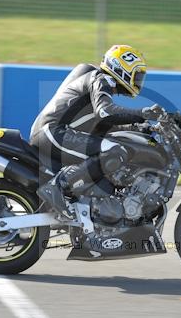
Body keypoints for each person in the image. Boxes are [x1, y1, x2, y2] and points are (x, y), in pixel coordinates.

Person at [29, 44, 164, 217]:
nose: (138, 81)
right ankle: (59, 187)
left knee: (113, 147)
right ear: (120, 68)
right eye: (136, 75)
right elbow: (105, 112)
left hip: (57, 132)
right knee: (115, 151)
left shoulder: (101, 85)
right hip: (53, 132)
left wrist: (141, 128)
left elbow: (107, 125)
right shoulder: (100, 79)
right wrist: (142, 113)